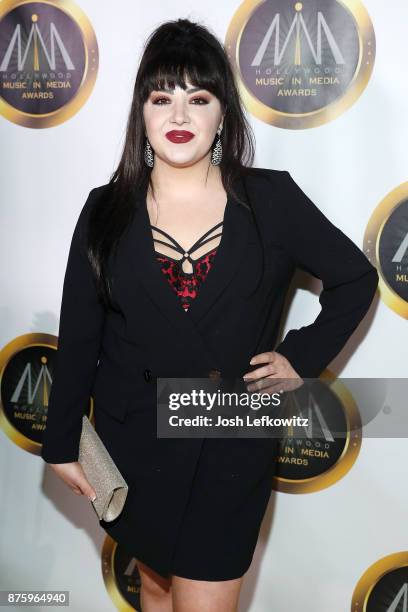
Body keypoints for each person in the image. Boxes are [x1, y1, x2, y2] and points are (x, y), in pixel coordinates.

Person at [41, 17, 379, 612]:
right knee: (152, 585)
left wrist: (299, 356)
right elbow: (80, 336)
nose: (178, 116)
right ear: (140, 113)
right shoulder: (105, 211)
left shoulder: (270, 200)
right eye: (161, 97)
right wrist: (62, 441)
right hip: (134, 442)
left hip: (228, 442)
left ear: (222, 113)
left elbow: (356, 278)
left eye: (198, 98)